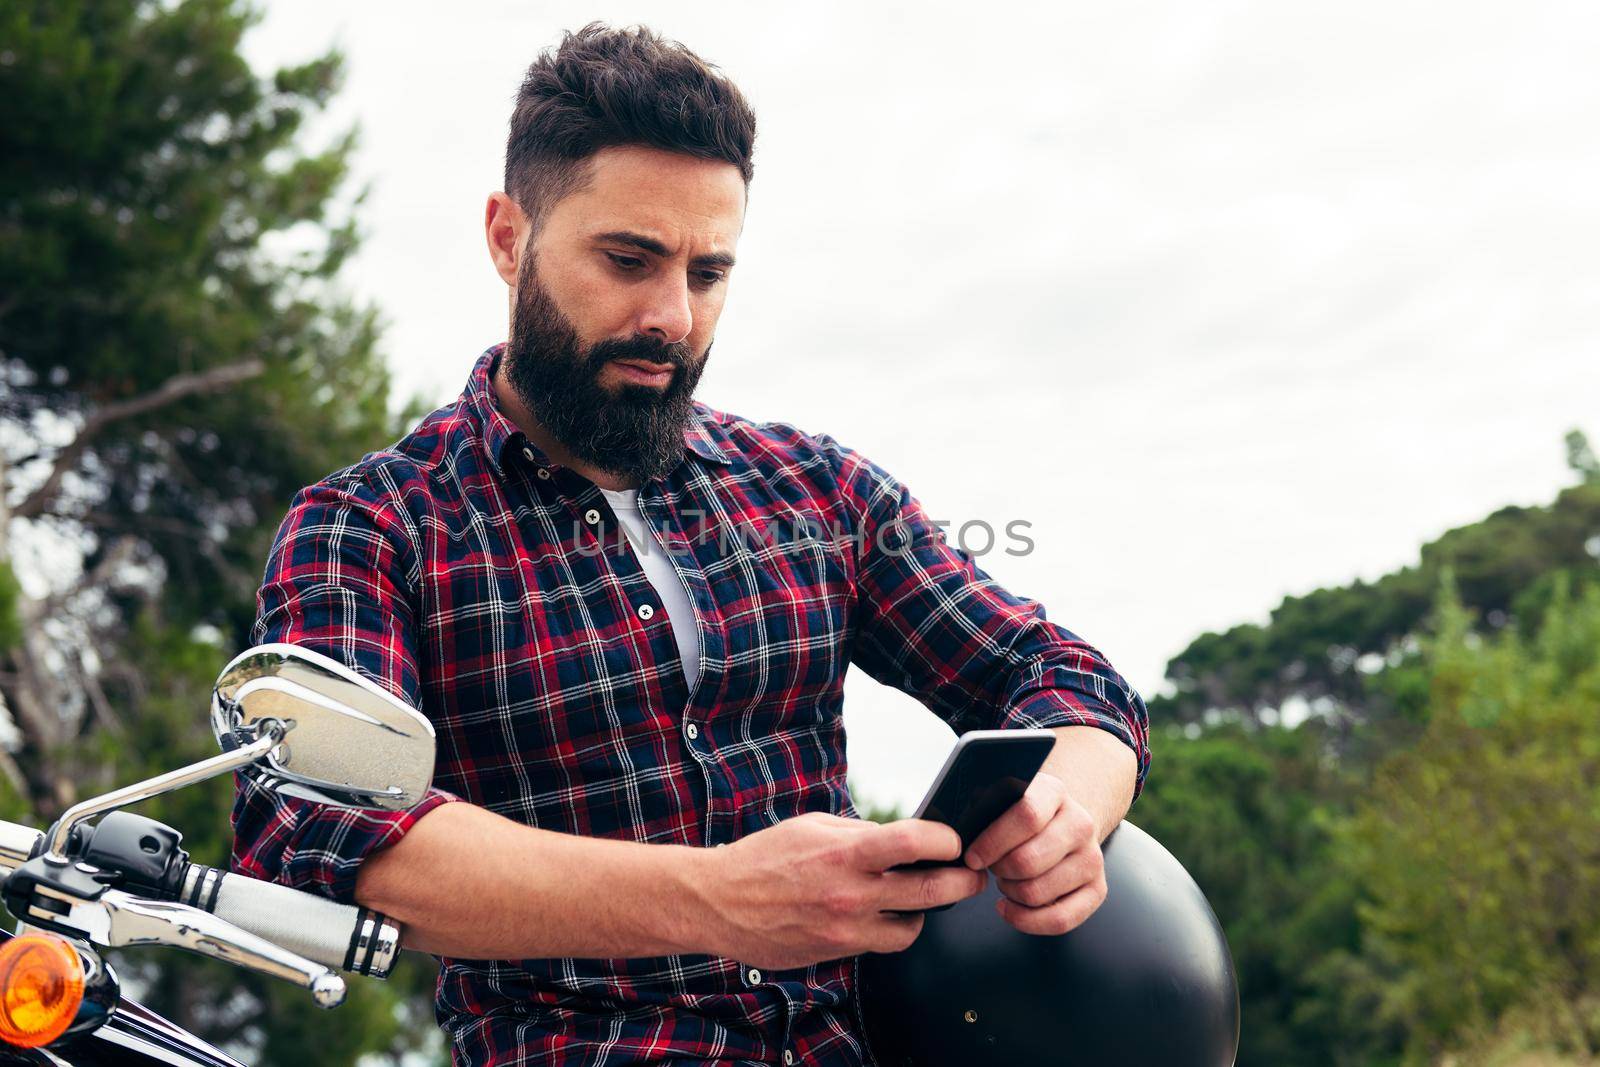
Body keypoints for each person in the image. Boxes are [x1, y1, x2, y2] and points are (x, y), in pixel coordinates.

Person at [229, 22, 1151, 1067]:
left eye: (708, 273)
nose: (671, 315)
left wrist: (1061, 812)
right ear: (505, 236)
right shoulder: (368, 529)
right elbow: (318, 834)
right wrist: (715, 899)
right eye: (628, 259)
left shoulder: (817, 489)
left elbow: (1064, 676)